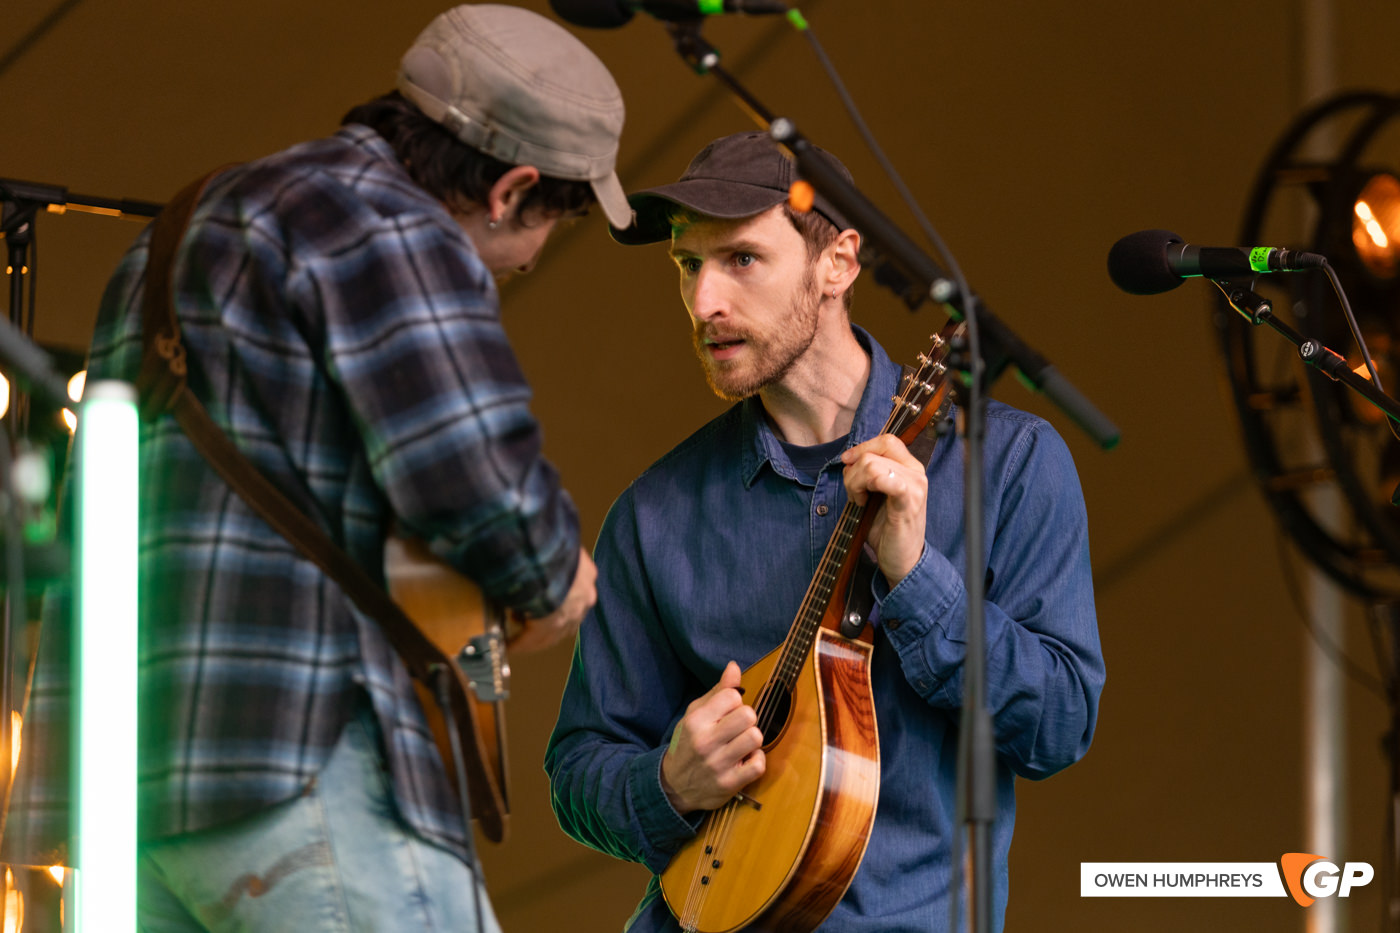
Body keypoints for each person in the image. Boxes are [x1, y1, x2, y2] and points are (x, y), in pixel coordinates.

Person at [7, 5, 627, 930]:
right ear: (511, 190)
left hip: (122, 785)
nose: (518, 266)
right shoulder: (390, 226)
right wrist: (556, 574)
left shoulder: (182, 226)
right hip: (293, 762)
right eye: (532, 245)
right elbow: (480, 482)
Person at [545, 131, 1106, 932]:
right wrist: (668, 784)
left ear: (838, 262)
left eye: (740, 259)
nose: (705, 302)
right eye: (686, 264)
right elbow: (577, 769)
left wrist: (919, 580)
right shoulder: (654, 513)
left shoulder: (1009, 465)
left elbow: (1057, 726)